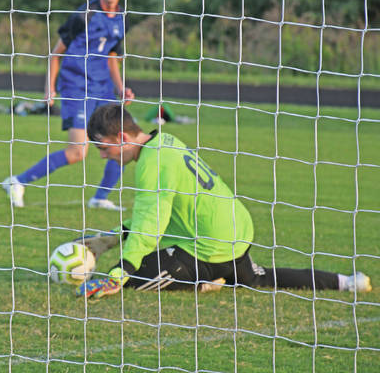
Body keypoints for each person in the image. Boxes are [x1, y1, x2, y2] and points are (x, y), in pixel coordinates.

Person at [75, 103, 372, 299]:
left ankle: (207, 280)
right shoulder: (165, 141)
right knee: (257, 278)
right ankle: (346, 282)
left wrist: (120, 271)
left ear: (123, 136)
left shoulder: (151, 164)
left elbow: (152, 222)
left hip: (211, 248)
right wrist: (116, 237)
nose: (102, 155)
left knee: (134, 279)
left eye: (103, 147)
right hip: (237, 233)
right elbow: (168, 215)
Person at [2, 0, 134, 211]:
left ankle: (100, 197)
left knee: (122, 143)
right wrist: (49, 87)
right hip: (76, 86)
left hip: (103, 88)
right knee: (77, 152)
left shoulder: (122, 18)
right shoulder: (85, 14)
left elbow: (112, 57)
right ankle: (17, 181)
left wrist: (120, 87)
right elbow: (56, 53)